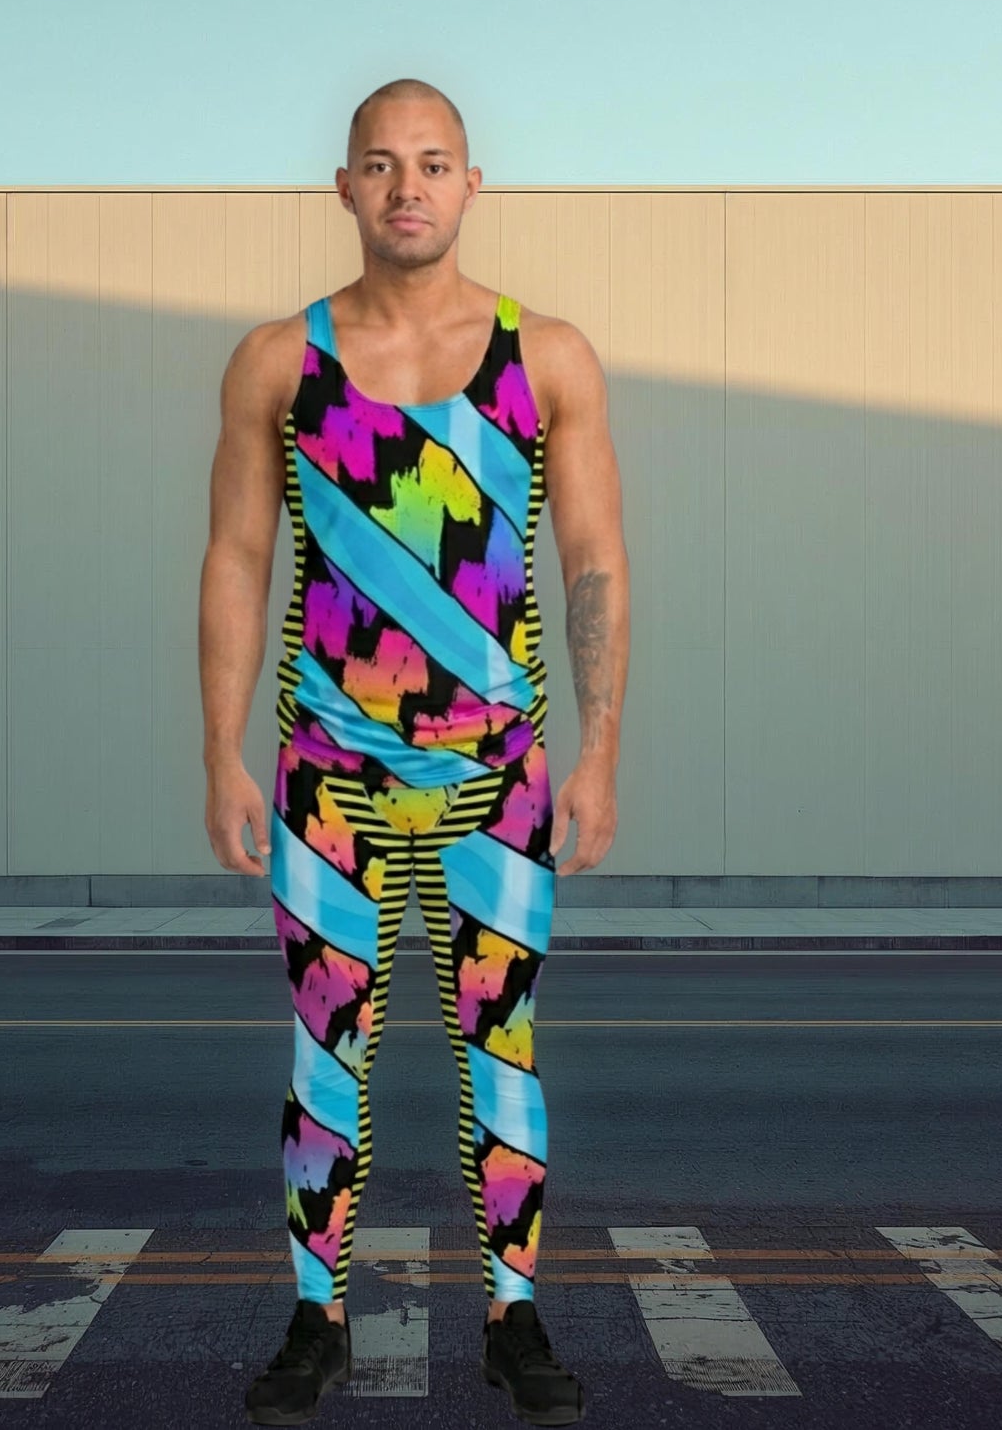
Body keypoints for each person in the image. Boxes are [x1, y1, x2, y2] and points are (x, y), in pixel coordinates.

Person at [199, 76, 628, 1427]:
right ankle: (312, 1320)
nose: (406, 187)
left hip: (499, 774)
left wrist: (600, 748)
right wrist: (221, 754)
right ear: (344, 187)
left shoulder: (544, 356)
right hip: (325, 769)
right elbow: (235, 561)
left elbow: (594, 562)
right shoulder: (281, 360)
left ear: (470, 184)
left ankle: (514, 1316)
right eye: (379, 164)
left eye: (432, 163)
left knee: (500, 1047)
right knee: (325, 1053)